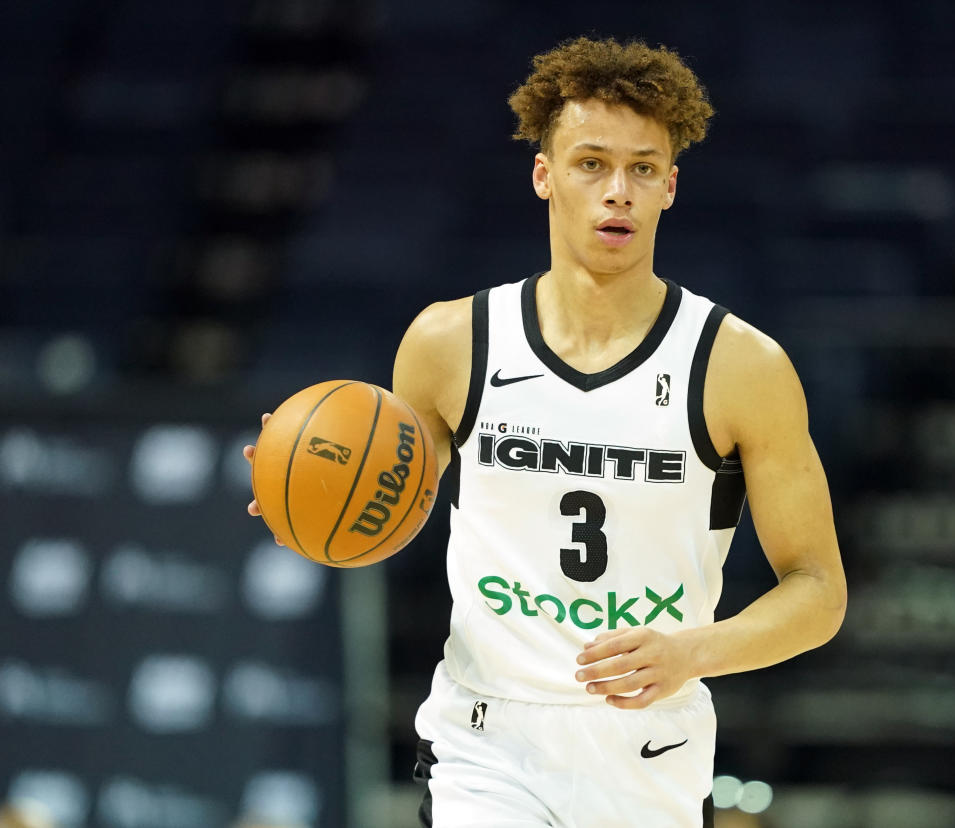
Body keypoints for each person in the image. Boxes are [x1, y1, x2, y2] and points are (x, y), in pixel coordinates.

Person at [246, 36, 846, 828]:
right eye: (591, 163)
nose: (616, 193)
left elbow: (819, 592)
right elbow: (384, 490)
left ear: (671, 186)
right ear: (544, 175)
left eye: (641, 168)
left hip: (649, 745)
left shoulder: (740, 367)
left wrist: (696, 651)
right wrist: (309, 486)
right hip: (488, 740)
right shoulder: (450, 343)